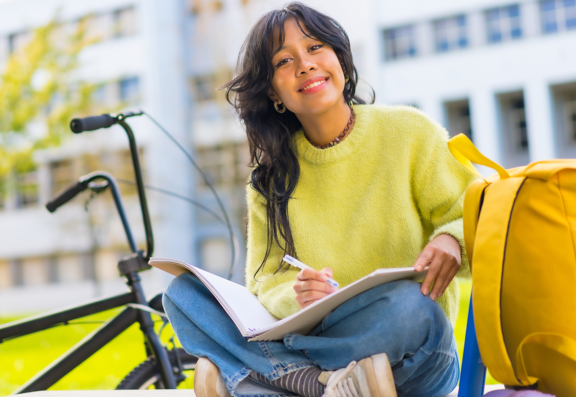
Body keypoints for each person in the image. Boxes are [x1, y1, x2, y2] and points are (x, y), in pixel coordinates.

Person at [163, 3, 478, 397]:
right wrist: (298, 295)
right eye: (283, 61)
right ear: (273, 92)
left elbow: (481, 216)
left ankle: (261, 379)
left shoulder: (411, 133)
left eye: (314, 48)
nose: (305, 64)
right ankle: (315, 385)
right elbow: (263, 282)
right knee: (183, 296)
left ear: (340, 61)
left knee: (413, 306)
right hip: (319, 342)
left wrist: (452, 238)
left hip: (409, 353)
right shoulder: (269, 181)